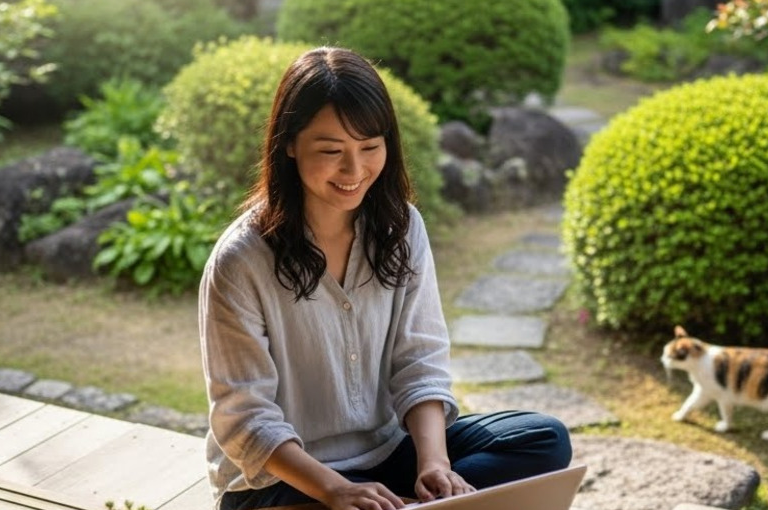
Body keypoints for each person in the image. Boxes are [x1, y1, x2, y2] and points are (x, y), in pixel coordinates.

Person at [199, 46, 573, 510]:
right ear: (289, 144)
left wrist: (434, 464)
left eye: (370, 148)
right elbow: (245, 419)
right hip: (283, 479)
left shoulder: (402, 226)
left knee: (542, 439)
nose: (354, 171)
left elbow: (420, 359)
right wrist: (335, 489)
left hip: (386, 452)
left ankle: (410, 503)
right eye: (331, 150)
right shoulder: (241, 260)